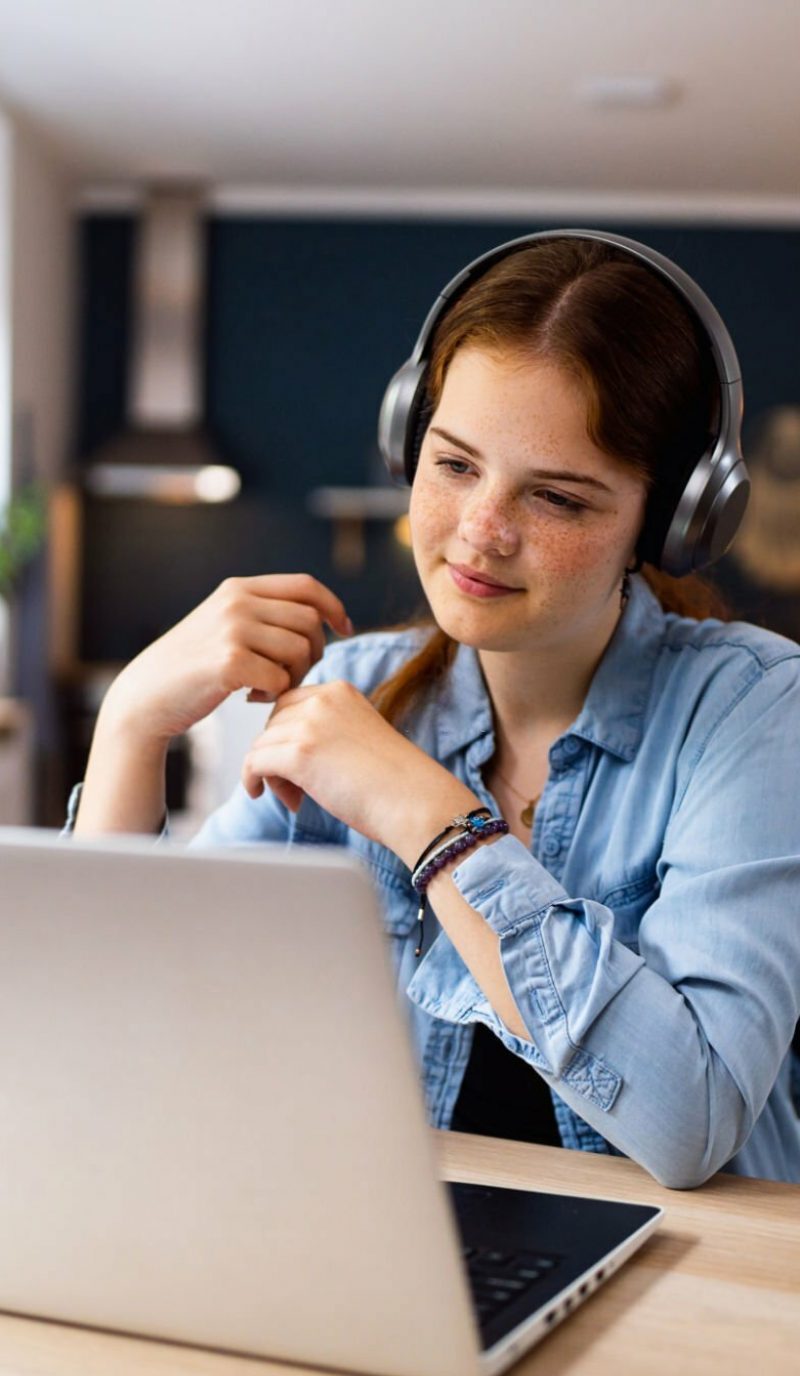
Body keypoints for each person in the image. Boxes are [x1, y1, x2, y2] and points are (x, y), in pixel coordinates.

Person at [68, 231, 800, 1188]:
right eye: (455, 465)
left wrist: (429, 818)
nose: (481, 533)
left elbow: (690, 1121)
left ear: (667, 524)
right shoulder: (351, 695)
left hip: (690, 1268)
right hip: (399, 1242)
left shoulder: (752, 706)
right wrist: (130, 727)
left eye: (558, 499)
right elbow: (111, 1035)